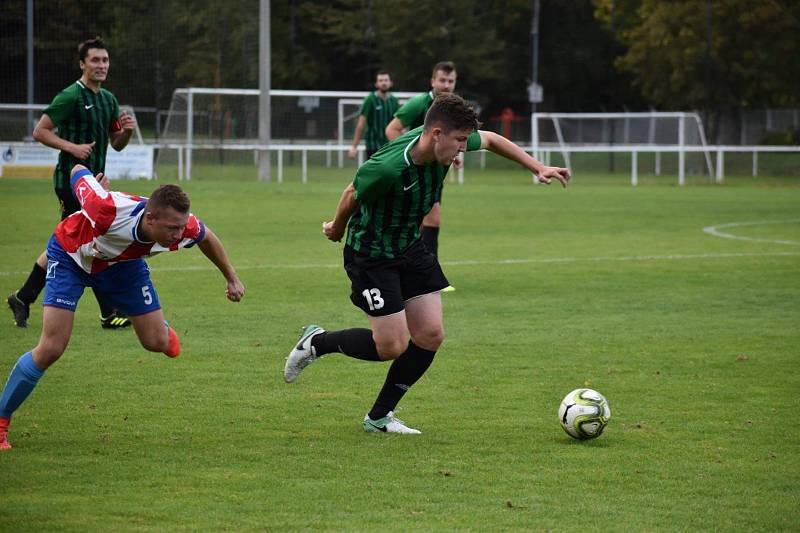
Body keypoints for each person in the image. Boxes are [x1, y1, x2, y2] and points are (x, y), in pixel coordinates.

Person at [284, 94, 569, 434]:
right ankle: (316, 342)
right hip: (372, 255)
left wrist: (537, 167)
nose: (463, 148)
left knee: (431, 334)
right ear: (436, 134)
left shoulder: (442, 143)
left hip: (411, 247)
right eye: (460, 141)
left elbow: (491, 139)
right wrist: (336, 228)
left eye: (465, 140)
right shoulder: (388, 168)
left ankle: (378, 418)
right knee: (391, 345)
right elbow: (351, 195)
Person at [0, 165, 245, 450]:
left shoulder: (182, 226)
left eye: (181, 227)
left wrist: (232, 278)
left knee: (156, 343)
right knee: (52, 346)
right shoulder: (106, 209)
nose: (180, 235)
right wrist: (92, 182)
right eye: (172, 229)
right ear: (150, 218)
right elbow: (77, 169)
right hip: (70, 256)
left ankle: (159, 331)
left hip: (122, 266)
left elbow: (206, 236)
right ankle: (2, 420)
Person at [7, 37, 136, 330]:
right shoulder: (70, 96)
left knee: (76, 242)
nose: (101, 65)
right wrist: (72, 148)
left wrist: (127, 131)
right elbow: (40, 131)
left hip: (96, 185)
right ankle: (109, 311)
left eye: (105, 60)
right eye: (95, 60)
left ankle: (23, 297)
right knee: (87, 241)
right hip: (70, 182)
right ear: (82, 64)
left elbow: (116, 143)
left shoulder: (108, 100)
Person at [385, 61, 457, 288]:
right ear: (432, 81)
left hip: (435, 174)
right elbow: (392, 128)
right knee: (432, 216)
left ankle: (407, 268)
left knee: (416, 222)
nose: (446, 85)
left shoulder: (452, 109)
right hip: (416, 172)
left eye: (451, 81)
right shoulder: (419, 103)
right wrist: (407, 157)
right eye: (442, 80)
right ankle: (429, 275)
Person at [348, 71, 399, 161]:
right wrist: (354, 147)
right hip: (373, 145)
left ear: (391, 83)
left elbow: (399, 125)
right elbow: (361, 125)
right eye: (381, 80)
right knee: (373, 174)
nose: (383, 83)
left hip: (390, 145)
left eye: (386, 80)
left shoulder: (394, 101)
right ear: (376, 84)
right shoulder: (370, 99)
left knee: (389, 174)